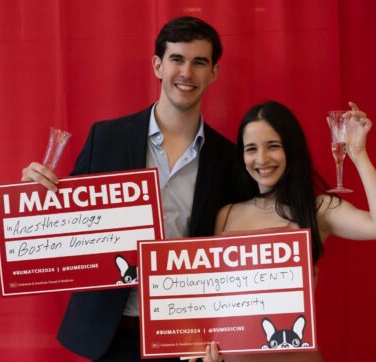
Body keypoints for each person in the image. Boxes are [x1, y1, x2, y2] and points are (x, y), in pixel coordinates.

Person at [21, 16, 237, 361]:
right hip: (110, 333)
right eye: (177, 59)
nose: (187, 73)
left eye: (200, 62)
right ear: (157, 65)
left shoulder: (229, 158)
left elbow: (237, 244)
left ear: (213, 73)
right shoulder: (105, 137)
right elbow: (63, 227)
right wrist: (31, 201)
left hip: (184, 338)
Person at [200, 100, 376, 362]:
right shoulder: (226, 215)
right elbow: (215, 302)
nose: (261, 159)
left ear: (290, 150)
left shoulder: (317, 209)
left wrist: (358, 153)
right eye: (251, 149)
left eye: (273, 146)